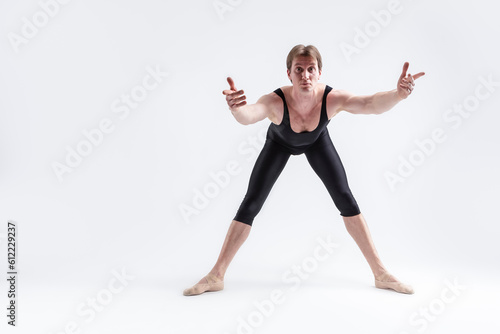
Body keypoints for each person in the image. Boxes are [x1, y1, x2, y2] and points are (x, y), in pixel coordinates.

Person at [183, 44, 425, 296]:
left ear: (320, 72)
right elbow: (250, 114)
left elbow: (371, 103)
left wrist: (398, 94)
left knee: (345, 198)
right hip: (278, 142)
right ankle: (216, 275)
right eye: (299, 69)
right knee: (251, 203)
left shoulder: (332, 99)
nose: (305, 75)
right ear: (289, 73)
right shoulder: (275, 101)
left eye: (311, 69)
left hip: (317, 141)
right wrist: (236, 108)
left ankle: (381, 273)